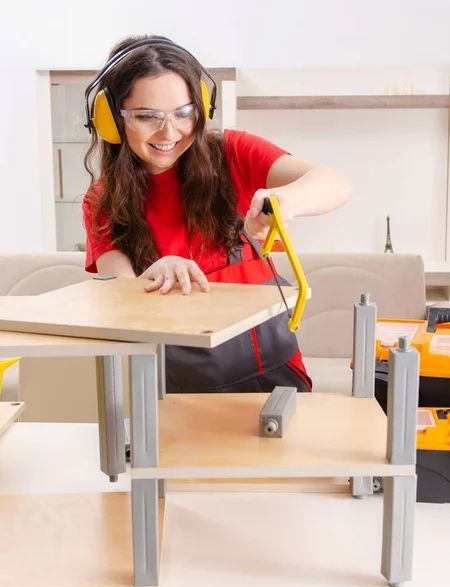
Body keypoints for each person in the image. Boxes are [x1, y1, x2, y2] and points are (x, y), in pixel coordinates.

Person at [81, 34, 353, 394]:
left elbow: (334, 182)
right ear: (110, 120)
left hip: (273, 380)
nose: (169, 132)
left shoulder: (233, 153)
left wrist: (285, 201)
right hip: (177, 391)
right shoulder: (103, 200)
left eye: (184, 113)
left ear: (202, 108)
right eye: (147, 116)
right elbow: (119, 305)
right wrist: (149, 277)